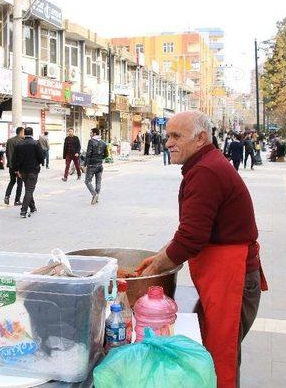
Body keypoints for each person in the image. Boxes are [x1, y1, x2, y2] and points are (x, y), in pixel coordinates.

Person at [134, 111, 267, 388]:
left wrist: (154, 269)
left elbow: (191, 238)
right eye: (167, 135)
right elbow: (192, 230)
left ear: (200, 138)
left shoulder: (206, 171)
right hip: (226, 277)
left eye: (176, 136)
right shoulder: (205, 165)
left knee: (221, 357)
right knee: (211, 349)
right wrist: (160, 257)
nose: (168, 142)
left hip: (234, 280)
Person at [13, 127, 44, 218]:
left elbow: (14, 159)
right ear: (32, 133)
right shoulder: (36, 143)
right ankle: (23, 210)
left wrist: (16, 170)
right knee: (29, 190)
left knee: (28, 188)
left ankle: (33, 207)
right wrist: (39, 163)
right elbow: (41, 157)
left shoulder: (19, 144)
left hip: (23, 171)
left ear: (24, 133)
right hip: (33, 170)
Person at [85, 127, 107, 205]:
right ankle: (97, 197)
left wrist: (85, 164)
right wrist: (100, 159)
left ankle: (94, 194)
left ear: (94, 133)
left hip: (92, 165)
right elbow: (106, 154)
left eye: (91, 133)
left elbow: (88, 154)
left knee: (87, 181)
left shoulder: (91, 141)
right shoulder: (104, 142)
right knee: (98, 182)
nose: (90, 134)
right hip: (100, 165)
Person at [4, 127, 24, 205]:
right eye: (23, 132)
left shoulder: (9, 141)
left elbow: (7, 153)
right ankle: (17, 200)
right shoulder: (21, 141)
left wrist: (9, 162)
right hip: (18, 166)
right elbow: (21, 155)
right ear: (21, 132)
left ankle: (7, 196)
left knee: (12, 181)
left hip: (11, 165)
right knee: (20, 183)